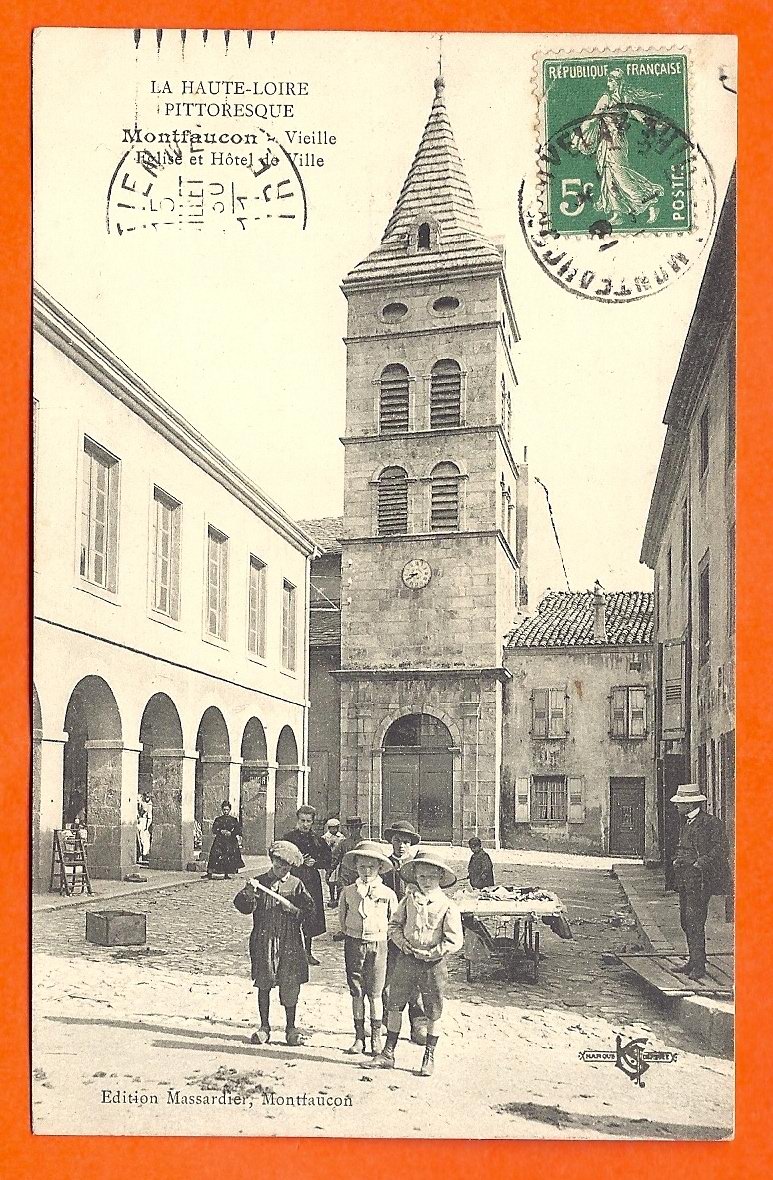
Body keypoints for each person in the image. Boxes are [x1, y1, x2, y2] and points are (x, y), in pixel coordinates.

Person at [378, 849, 463, 1077]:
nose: (426, 881)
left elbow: (454, 939)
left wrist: (435, 952)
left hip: (432, 965)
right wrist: (402, 943)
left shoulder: (447, 906)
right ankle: (388, 1052)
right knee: (395, 1004)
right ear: (415, 876)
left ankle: (429, 1055)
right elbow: (394, 925)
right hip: (406, 959)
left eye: (431, 877)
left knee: (433, 1009)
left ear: (440, 879)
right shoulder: (408, 901)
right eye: (422, 877)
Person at [233, 840, 315, 1046]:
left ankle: (291, 1027)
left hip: (290, 941)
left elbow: (310, 911)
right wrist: (249, 894)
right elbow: (243, 907)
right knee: (264, 981)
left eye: (286, 867)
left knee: (290, 983)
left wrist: (296, 911)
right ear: (272, 861)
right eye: (278, 865)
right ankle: (264, 1027)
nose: (281, 870)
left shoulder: (296, 885)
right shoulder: (259, 882)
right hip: (264, 939)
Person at [569, 69, 665, 225]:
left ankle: (650, 202)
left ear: (618, 82)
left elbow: (636, 114)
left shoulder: (614, 98)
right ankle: (617, 212)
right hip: (608, 142)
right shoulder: (607, 98)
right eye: (608, 80)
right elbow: (594, 117)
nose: (609, 84)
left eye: (611, 81)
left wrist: (651, 124)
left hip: (617, 142)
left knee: (621, 175)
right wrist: (581, 130)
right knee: (609, 175)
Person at [338, 839, 397, 1056]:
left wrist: (379, 935)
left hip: (378, 945)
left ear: (380, 868)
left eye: (371, 866)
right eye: (362, 866)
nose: (366, 871)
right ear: (355, 867)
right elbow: (343, 920)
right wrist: (353, 933)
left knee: (375, 993)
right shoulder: (348, 892)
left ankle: (376, 1039)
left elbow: (394, 921)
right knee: (356, 991)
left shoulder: (388, 894)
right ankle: (358, 1037)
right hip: (354, 944)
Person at [670, 783, 731, 981]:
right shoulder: (685, 822)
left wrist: (699, 864)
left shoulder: (711, 823)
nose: (677, 807)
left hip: (700, 879)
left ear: (689, 804)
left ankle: (699, 966)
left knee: (695, 920)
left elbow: (720, 850)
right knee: (685, 921)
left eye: (680, 803)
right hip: (685, 879)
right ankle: (693, 960)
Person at [381, 820, 427, 1045]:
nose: (401, 846)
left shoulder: (418, 868)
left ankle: (417, 1023)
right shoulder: (383, 866)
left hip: (411, 930)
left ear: (411, 845)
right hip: (387, 931)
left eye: (406, 842)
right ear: (391, 841)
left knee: (415, 978)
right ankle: (386, 1021)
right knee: (387, 976)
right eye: (397, 840)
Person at [283, 804, 331, 965]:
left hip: (310, 880)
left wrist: (315, 862)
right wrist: (295, 860)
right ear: (297, 820)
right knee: (290, 913)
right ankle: (288, 952)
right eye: (302, 820)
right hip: (292, 878)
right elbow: (279, 856)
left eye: (308, 821)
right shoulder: (289, 838)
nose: (305, 824)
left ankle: (307, 952)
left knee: (309, 914)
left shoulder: (318, 841)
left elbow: (328, 861)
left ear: (312, 822)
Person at [331, 816, 365, 938]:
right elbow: (335, 858)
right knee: (344, 902)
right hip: (345, 877)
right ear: (348, 830)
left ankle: (358, 927)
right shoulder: (343, 843)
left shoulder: (364, 844)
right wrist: (330, 871)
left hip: (360, 877)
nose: (354, 831)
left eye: (356, 828)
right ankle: (343, 928)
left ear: (360, 828)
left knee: (360, 902)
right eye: (352, 828)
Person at [205, 801, 245, 880]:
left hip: (230, 841)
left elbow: (238, 830)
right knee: (214, 854)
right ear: (222, 810)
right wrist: (221, 831)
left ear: (230, 810)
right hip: (220, 840)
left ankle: (227, 873)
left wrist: (231, 833)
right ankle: (210, 872)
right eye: (224, 810)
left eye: (227, 810)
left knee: (228, 855)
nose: (225, 811)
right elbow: (214, 829)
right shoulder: (218, 819)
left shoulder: (233, 820)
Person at [322, 818, 346, 907]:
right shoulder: (325, 837)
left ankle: (338, 898)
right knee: (331, 881)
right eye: (332, 828)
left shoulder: (341, 837)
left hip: (339, 862)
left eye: (335, 828)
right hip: (330, 861)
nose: (334, 830)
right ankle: (332, 898)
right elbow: (323, 849)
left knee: (339, 881)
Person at [137, 793, 153, 865]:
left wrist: (146, 827)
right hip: (141, 822)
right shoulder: (141, 804)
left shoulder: (147, 805)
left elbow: (149, 816)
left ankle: (145, 854)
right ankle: (142, 854)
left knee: (144, 839)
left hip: (144, 822)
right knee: (141, 839)